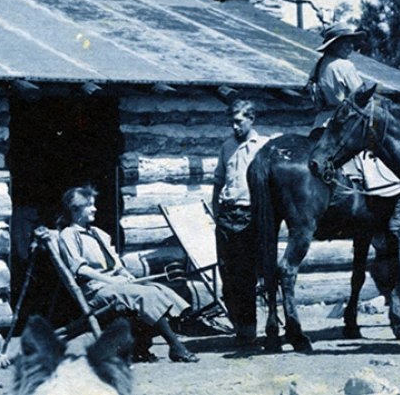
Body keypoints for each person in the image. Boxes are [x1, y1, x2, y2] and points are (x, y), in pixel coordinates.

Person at [57, 186, 199, 363]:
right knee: (144, 295)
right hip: (96, 291)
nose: (95, 208)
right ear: (74, 208)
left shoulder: (97, 233)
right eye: (89, 205)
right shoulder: (68, 235)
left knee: (157, 289)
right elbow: (80, 269)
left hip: (115, 285)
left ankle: (142, 347)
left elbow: (116, 263)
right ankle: (176, 346)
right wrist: (110, 280)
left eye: (94, 204)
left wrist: (125, 274)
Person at [309, 22, 400, 199]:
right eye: (346, 42)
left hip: (319, 123)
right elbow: (362, 98)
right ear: (334, 44)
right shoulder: (344, 66)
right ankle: (396, 208)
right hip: (343, 123)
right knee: (383, 167)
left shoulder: (319, 65)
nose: (351, 46)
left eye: (352, 42)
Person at [211, 99, 268, 346]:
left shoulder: (263, 146)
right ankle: (239, 328)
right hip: (226, 215)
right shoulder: (226, 147)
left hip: (249, 216)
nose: (234, 127)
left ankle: (249, 331)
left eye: (239, 121)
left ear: (251, 119)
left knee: (246, 275)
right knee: (228, 275)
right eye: (231, 122)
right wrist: (216, 211)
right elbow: (218, 180)